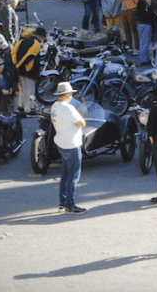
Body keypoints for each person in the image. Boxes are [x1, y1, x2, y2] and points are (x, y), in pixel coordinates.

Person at [51, 82, 87, 214]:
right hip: (72, 145)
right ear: (66, 95)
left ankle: (63, 202)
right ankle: (71, 205)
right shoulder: (68, 108)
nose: (72, 96)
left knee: (65, 174)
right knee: (73, 176)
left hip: (62, 144)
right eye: (71, 94)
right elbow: (82, 123)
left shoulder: (54, 106)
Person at [11, 27, 45, 112]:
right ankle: (29, 109)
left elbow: (13, 52)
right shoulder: (37, 44)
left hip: (19, 70)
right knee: (30, 90)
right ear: (40, 36)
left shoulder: (22, 41)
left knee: (23, 89)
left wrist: (15, 65)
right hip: (29, 70)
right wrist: (20, 65)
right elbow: (29, 56)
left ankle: (21, 106)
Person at [135, 0, 157, 64]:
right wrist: (150, 7)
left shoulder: (143, 2)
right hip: (145, 24)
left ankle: (146, 58)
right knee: (144, 42)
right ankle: (144, 60)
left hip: (144, 24)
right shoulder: (142, 3)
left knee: (146, 42)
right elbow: (147, 14)